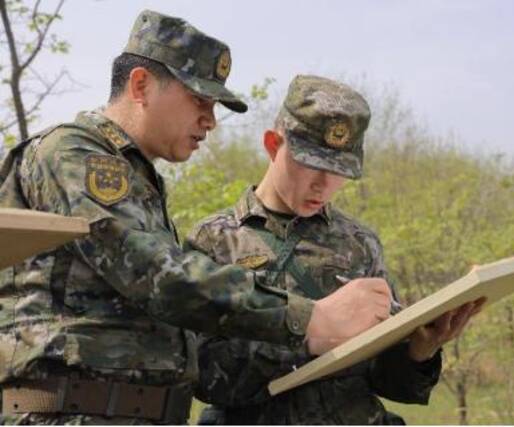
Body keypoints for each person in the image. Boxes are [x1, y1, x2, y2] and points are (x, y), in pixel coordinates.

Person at [0, 12, 392, 425]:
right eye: (199, 100)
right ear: (141, 85)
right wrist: (308, 318)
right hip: (74, 412)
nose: (211, 119)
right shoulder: (73, 153)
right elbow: (156, 274)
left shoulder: (136, 179)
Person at [188, 75, 485, 425]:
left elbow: (384, 380)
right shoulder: (214, 241)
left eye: (338, 170)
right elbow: (201, 374)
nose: (324, 185)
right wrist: (310, 337)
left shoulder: (360, 243)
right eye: (313, 165)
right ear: (272, 145)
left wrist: (419, 352)